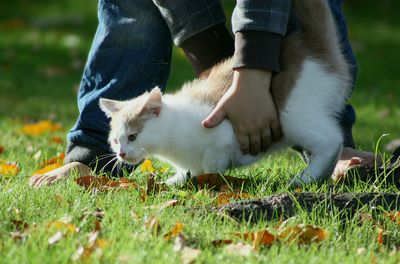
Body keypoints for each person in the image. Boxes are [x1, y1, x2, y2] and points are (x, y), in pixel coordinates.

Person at [29, 0, 376, 187]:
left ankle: (332, 144)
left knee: (306, 12)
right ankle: (93, 155)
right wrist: (215, 61)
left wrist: (253, 74)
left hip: (307, 65)